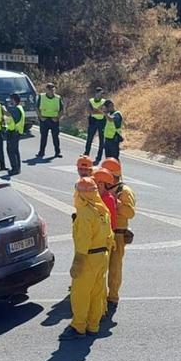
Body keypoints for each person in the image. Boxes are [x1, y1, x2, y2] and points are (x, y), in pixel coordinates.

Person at [61, 177, 114, 340]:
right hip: (102, 256)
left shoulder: (84, 214)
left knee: (81, 293)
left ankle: (78, 327)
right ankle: (93, 325)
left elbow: (84, 240)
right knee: (97, 293)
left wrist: (78, 262)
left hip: (88, 257)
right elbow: (108, 234)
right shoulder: (102, 209)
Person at [99, 159, 136, 311]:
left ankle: (112, 297)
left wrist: (115, 202)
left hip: (118, 234)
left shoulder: (124, 191)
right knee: (100, 266)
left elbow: (130, 213)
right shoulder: (101, 188)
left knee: (114, 268)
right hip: (101, 232)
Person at [37, 83, 63, 158]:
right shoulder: (41, 97)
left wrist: (57, 118)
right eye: (51, 90)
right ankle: (41, 152)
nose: (52, 91)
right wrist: (41, 117)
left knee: (55, 137)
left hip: (54, 120)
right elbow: (37, 108)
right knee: (43, 137)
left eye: (53, 89)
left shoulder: (58, 98)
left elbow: (61, 109)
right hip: (44, 119)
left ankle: (57, 152)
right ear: (47, 90)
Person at [4, 94, 26, 175]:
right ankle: (17, 168)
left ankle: (15, 169)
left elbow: (9, 117)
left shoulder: (16, 109)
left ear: (14, 100)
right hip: (16, 132)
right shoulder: (19, 108)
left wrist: (3, 109)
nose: (9, 101)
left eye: (11, 100)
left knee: (11, 151)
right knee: (15, 151)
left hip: (13, 132)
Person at [84, 88, 106, 157]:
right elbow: (90, 111)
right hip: (93, 120)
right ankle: (86, 153)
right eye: (99, 93)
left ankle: (99, 155)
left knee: (101, 139)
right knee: (89, 138)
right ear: (96, 93)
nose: (100, 95)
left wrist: (96, 111)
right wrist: (99, 111)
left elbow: (104, 112)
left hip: (102, 121)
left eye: (102, 94)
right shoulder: (91, 101)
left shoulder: (104, 101)